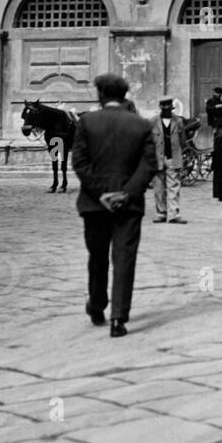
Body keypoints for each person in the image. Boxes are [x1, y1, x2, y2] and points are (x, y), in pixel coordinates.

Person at [70, 73, 157, 338]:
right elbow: (149, 165)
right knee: (124, 259)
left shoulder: (86, 123)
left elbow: (79, 163)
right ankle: (119, 318)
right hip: (128, 206)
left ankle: (97, 307)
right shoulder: (141, 125)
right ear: (124, 95)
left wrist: (101, 194)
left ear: (100, 94)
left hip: (94, 205)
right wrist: (126, 194)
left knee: (97, 258)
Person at [151, 98, 186, 223]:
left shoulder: (179, 121)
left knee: (174, 186)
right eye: (164, 107)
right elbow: (149, 141)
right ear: (160, 107)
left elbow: (183, 140)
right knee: (158, 187)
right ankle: (161, 213)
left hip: (173, 157)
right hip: (157, 158)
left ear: (172, 108)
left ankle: (174, 214)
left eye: (168, 107)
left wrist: (179, 154)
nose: (166, 110)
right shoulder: (153, 121)